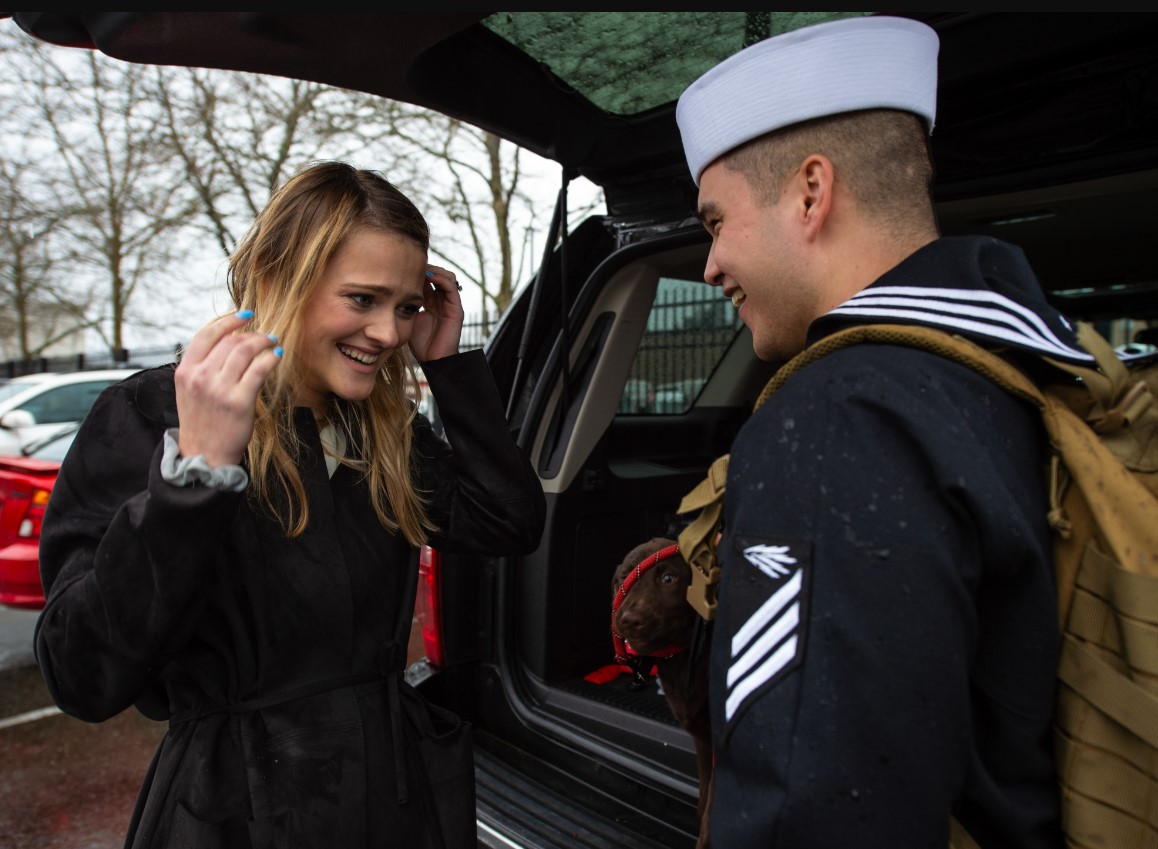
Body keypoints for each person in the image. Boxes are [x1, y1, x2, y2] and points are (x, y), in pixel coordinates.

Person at [33, 160, 546, 849]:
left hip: (391, 797)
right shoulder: (152, 412)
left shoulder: (381, 426)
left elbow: (507, 521)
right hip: (235, 814)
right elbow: (81, 674)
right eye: (362, 300)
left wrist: (448, 368)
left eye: (405, 306)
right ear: (281, 276)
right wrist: (195, 476)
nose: (390, 334)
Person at [675, 16, 1085, 848]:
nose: (709, 264)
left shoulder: (839, 416)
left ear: (811, 192)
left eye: (716, 221)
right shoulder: (1023, 366)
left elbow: (811, 810)